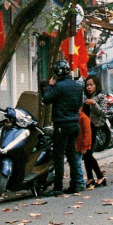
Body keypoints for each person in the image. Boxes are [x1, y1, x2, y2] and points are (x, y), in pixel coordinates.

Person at [42, 59, 85, 195]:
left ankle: (58, 187)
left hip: (61, 124)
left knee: (59, 156)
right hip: (74, 124)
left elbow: (47, 99)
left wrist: (49, 86)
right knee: (71, 155)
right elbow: (79, 104)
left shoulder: (58, 86)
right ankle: (74, 184)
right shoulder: (78, 86)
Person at [81, 75, 107, 187]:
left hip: (93, 126)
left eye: (91, 85)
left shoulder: (101, 97)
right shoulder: (84, 97)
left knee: (88, 153)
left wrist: (94, 104)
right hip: (84, 126)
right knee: (85, 153)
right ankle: (90, 177)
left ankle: (100, 176)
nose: (89, 87)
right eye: (87, 85)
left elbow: (103, 112)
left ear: (96, 85)